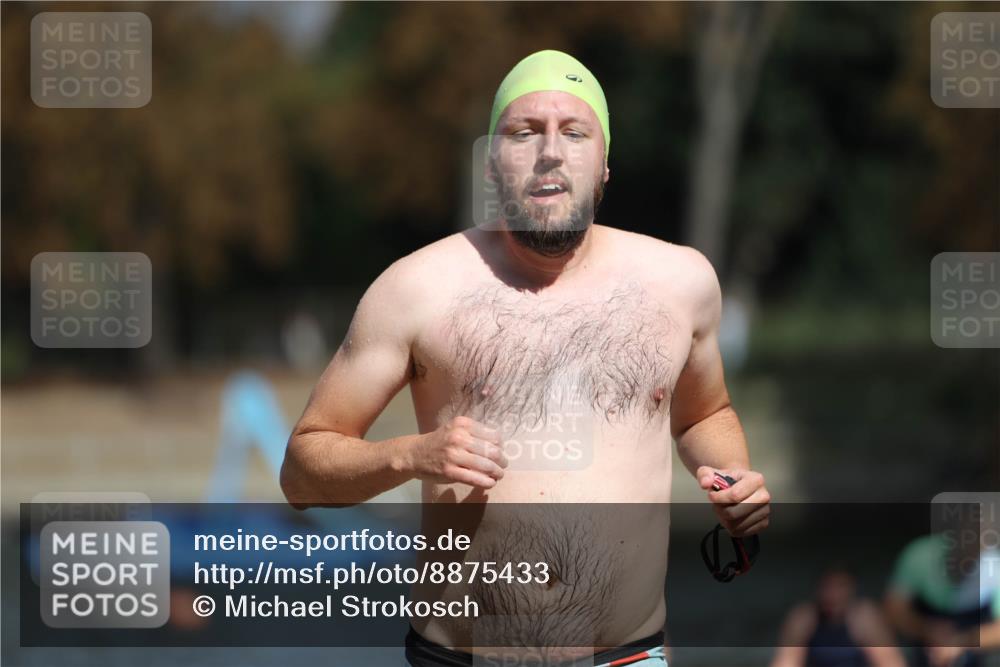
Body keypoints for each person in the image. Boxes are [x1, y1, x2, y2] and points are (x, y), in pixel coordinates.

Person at [280, 49, 771, 667]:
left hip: (627, 658)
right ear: (492, 165)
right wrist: (411, 454)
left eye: (574, 131)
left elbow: (705, 415)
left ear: (604, 166)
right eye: (524, 132)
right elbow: (301, 471)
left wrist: (733, 480)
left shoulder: (681, 283)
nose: (550, 150)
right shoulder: (414, 289)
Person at [884, 524, 1000, 667]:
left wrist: (961, 642)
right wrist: (926, 629)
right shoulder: (921, 554)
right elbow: (894, 608)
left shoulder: (995, 566)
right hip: (923, 637)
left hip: (973, 638)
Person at [771, 567, 905, 667]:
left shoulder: (865, 618)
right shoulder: (805, 618)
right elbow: (786, 661)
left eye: (840, 587)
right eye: (827, 587)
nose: (832, 595)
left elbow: (890, 661)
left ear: (852, 590)